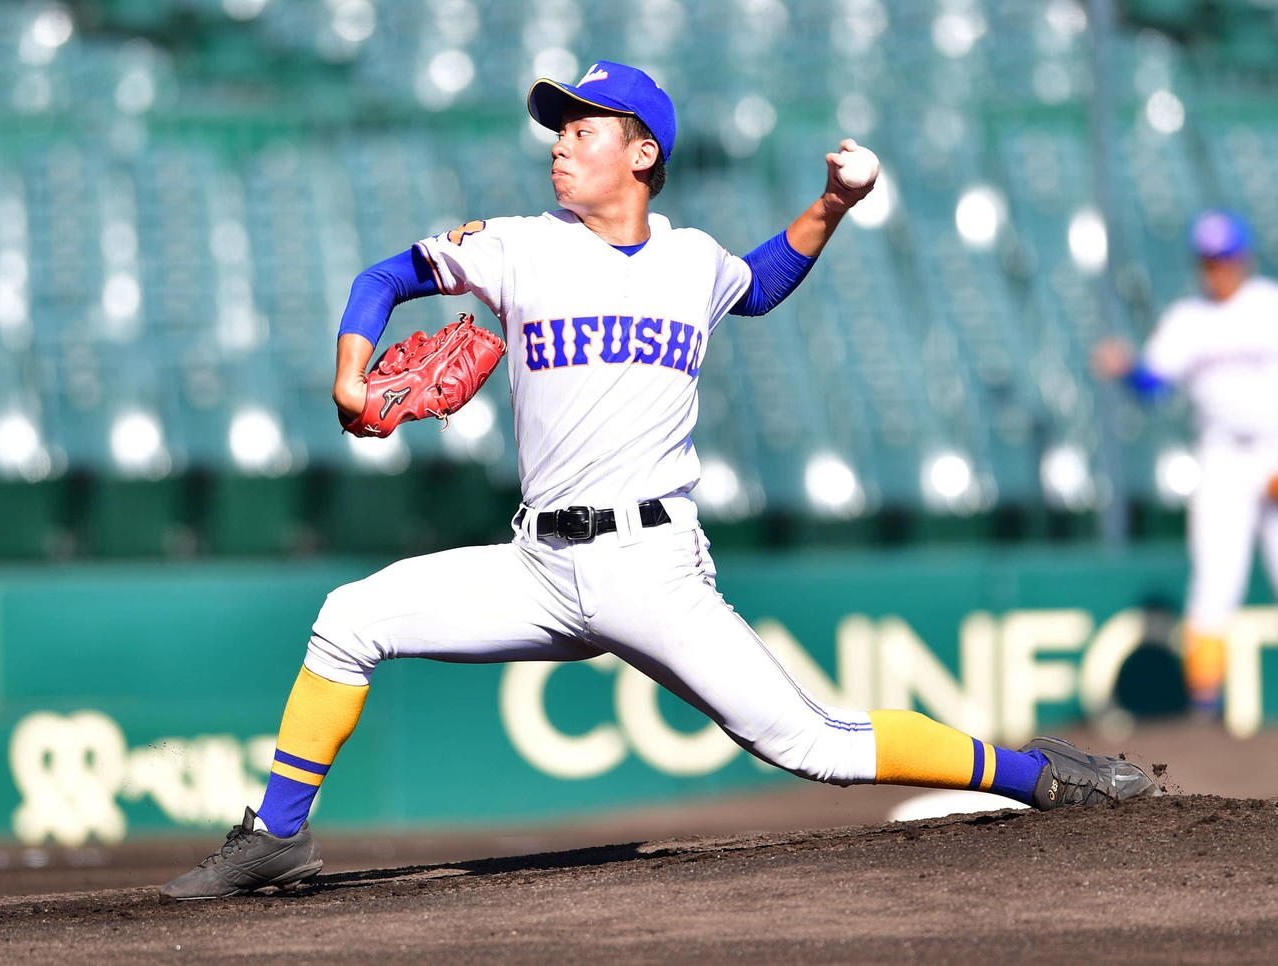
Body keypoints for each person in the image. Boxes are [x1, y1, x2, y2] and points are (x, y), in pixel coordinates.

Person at [161, 62, 1160, 899]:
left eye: (583, 128)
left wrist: (832, 207)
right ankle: (277, 834)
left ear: (642, 154)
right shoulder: (514, 246)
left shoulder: (692, 261)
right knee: (350, 618)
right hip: (537, 562)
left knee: (812, 745)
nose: (558, 142)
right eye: (556, 128)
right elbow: (383, 278)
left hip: (651, 566)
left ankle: (1034, 773)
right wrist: (350, 367)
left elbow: (760, 282)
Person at [1092, 209, 1278, 716]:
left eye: (1224, 258)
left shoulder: (1269, 304)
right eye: (1208, 260)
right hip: (1223, 459)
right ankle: (1204, 708)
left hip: (1274, 447)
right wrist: (1129, 369)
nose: (1216, 268)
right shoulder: (1188, 319)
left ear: (1243, 259)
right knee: (1215, 581)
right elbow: (1154, 382)